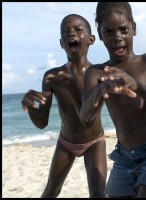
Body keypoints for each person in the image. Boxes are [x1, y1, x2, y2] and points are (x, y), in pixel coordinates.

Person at [80, 2, 146, 198]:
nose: (117, 38)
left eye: (123, 30)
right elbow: (85, 117)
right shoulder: (96, 73)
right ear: (99, 33)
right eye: (109, 32)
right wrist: (99, 91)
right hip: (124, 157)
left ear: (134, 28)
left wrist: (137, 86)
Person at [21, 14, 107, 198]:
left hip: (94, 142)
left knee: (98, 194)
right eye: (65, 31)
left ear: (91, 39)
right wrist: (30, 107)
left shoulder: (99, 74)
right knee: (51, 191)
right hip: (66, 142)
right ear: (61, 43)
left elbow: (88, 119)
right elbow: (42, 123)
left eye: (77, 30)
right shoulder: (52, 77)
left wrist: (72, 85)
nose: (71, 33)